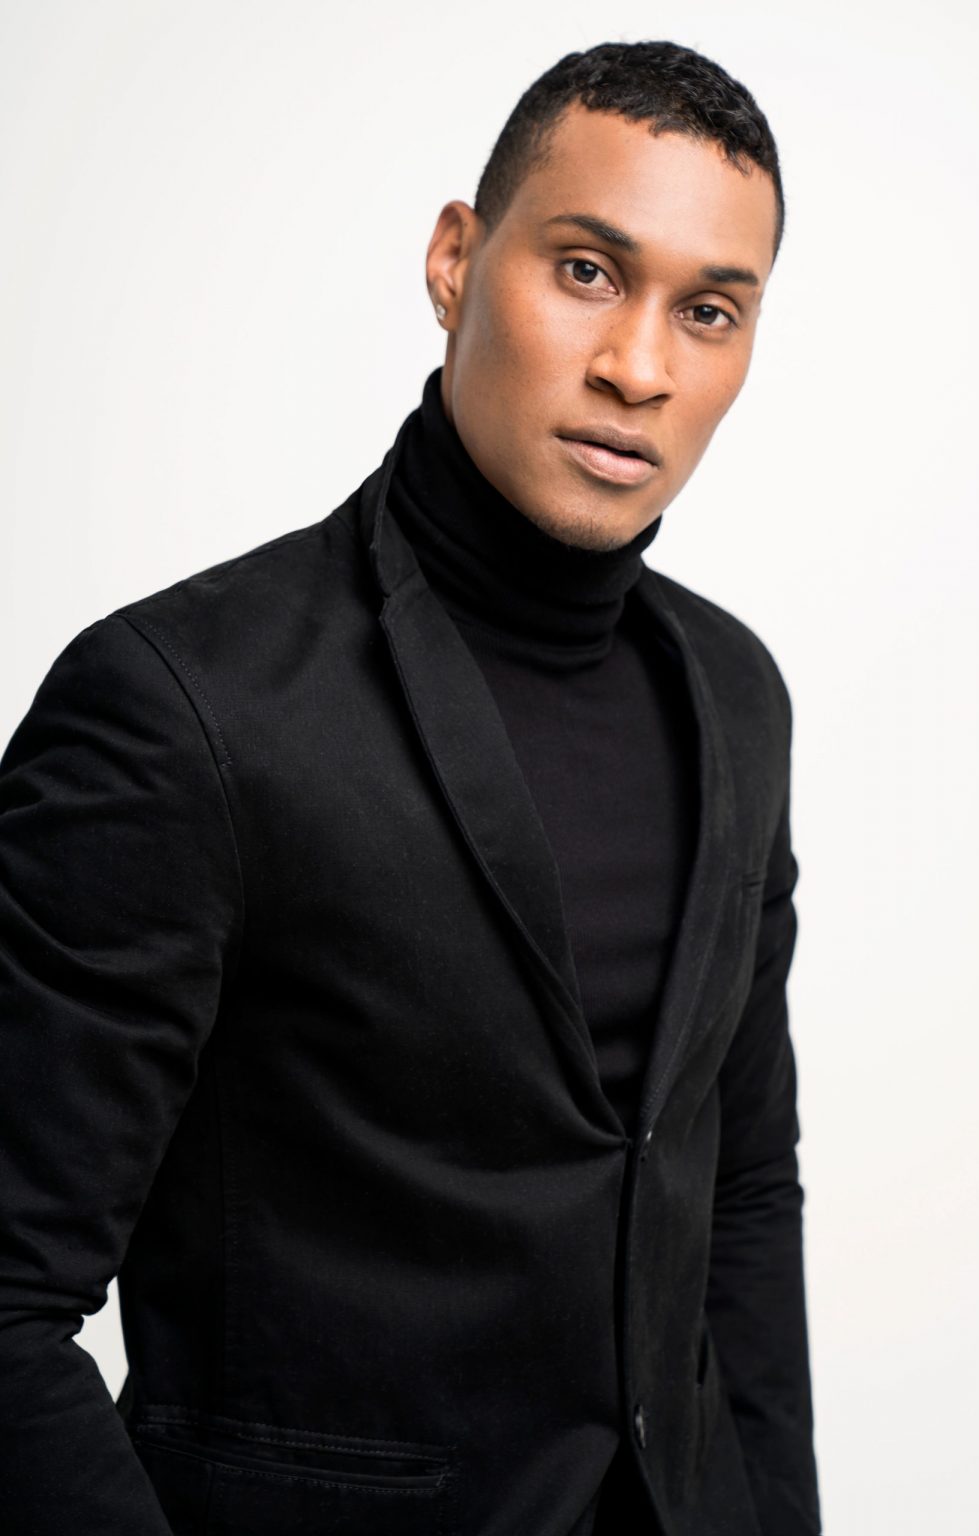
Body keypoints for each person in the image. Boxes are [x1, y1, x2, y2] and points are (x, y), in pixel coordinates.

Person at [0, 38, 822, 1536]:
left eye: (708, 311)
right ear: (456, 261)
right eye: (587, 271)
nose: (639, 368)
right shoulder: (181, 710)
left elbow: (744, 1187)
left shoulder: (736, 696)